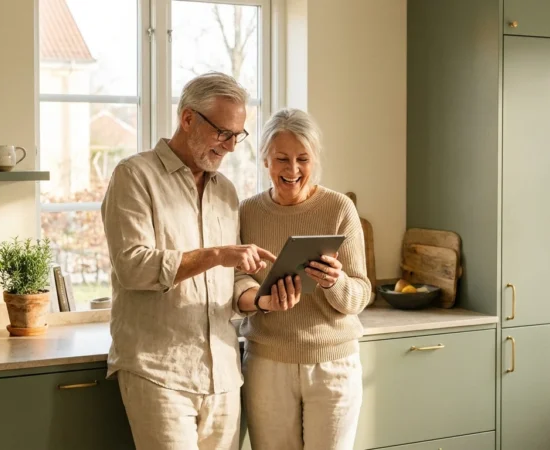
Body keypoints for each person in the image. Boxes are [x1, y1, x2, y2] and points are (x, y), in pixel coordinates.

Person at [100, 72, 293, 450]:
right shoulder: (135, 176)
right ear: (188, 119)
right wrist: (216, 255)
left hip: (223, 375)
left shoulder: (226, 191)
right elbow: (133, 266)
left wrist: (260, 299)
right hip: (159, 371)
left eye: (237, 135)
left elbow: (235, 277)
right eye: (224, 133)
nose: (231, 147)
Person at [234, 108, 372, 450]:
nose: (292, 170)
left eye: (302, 159)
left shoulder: (339, 209)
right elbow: (236, 279)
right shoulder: (247, 212)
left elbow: (361, 292)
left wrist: (335, 282)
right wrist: (261, 299)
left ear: (314, 160)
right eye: (281, 158)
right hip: (267, 362)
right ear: (265, 159)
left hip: (333, 364)